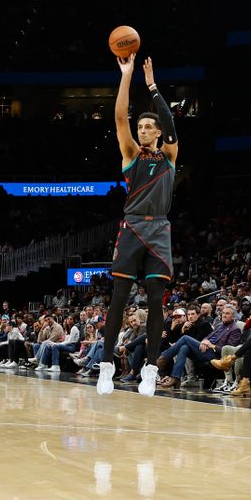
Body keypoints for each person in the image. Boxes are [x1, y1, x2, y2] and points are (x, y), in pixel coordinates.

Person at [97, 53, 178, 398]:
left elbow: (172, 123)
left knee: (157, 300)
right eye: (141, 126)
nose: (143, 130)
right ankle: (106, 366)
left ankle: (149, 368)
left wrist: (153, 87)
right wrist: (127, 76)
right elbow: (119, 117)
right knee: (118, 299)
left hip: (159, 230)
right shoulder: (130, 153)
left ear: (158, 132)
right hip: (131, 228)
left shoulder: (169, 156)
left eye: (148, 127)